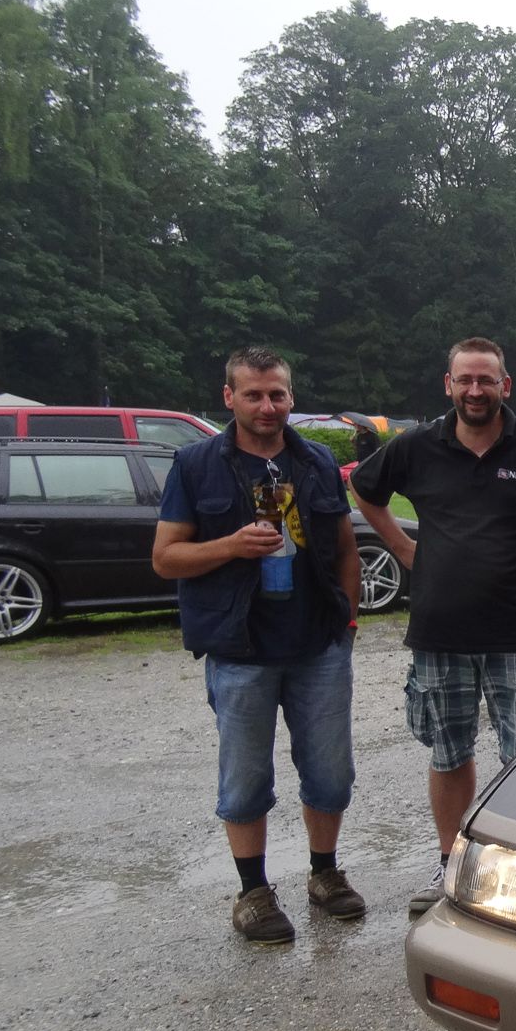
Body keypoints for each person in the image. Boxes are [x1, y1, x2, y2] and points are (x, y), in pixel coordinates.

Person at [350, 338, 516, 915]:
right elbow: (365, 490)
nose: (476, 391)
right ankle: (451, 863)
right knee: (449, 754)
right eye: (465, 380)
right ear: (447, 384)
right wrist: (403, 548)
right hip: (440, 630)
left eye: (487, 380)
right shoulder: (418, 445)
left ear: (506, 385)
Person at [152, 346, 365, 943]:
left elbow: (347, 550)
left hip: (318, 646)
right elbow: (165, 557)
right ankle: (253, 893)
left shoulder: (317, 460)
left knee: (330, 773)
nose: (267, 406)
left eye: (277, 394)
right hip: (240, 649)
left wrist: (347, 624)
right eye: (253, 394)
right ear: (229, 397)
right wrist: (230, 546)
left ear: (291, 397)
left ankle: (324, 874)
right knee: (245, 779)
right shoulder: (196, 464)